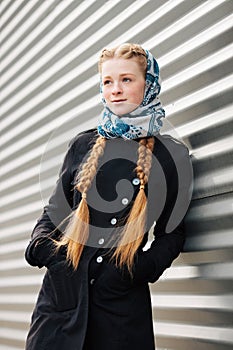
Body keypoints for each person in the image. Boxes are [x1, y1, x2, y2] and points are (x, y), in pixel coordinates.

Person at [25, 43, 193, 350]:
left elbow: (174, 232)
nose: (115, 90)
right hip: (61, 308)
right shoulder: (82, 144)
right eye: (107, 81)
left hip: (121, 315)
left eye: (126, 80)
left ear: (149, 83)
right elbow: (53, 211)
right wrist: (44, 250)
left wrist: (136, 269)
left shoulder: (171, 156)